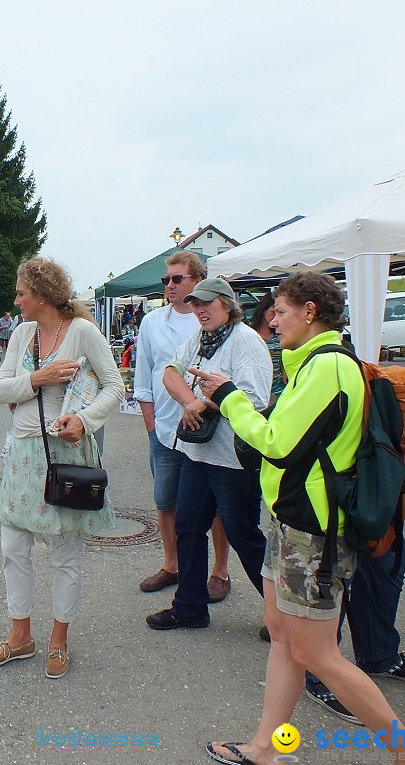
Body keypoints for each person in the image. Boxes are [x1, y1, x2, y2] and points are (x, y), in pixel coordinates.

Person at [194, 271, 405, 765]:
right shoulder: (315, 362)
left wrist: (228, 397)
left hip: (314, 532)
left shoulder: (326, 366)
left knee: (317, 655)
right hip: (295, 523)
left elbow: (278, 444)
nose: (271, 320)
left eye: (279, 311)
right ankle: (264, 748)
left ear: (309, 311)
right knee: (284, 636)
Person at [0, 256, 122, 680]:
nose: (16, 299)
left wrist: (85, 420)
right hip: (23, 452)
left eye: (21, 292)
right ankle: (20, 635)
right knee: (13, 547)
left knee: (63, 553)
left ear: (40, 295)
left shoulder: (81, 332)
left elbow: (115, 386)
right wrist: (40, 378)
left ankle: (59, 639)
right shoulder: (23, 334)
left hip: (65, 455)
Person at [145, 277, 271, 630]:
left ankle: (284, 618)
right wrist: (189, 402)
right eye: (196, 304)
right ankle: (190, 608)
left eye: (207, 303)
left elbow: (257, 398)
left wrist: (202, 403)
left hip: (233, 459)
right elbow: (170, 372)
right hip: (198, 454)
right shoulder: (201, 338)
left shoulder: (246, 341)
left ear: (227, 306)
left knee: (244, 536)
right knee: (188, 529)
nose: (200, 309)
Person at [134, 251, 233, 603]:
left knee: (216, 504)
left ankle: (220, 570)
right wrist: (149, 421)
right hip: (165, 429)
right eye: (167, 280)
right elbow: (144, 374)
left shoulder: (212, 320)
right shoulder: (152, 322)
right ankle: (172, 565)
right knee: (166, 500)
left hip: (212, 429)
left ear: (198, 282)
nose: (170, 286)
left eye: (178, 279)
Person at [250, 292, 285, 405]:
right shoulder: (248, 332)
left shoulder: (281, 333)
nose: (276, 318)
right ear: (263, 309)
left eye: (280, 313)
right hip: (255, 388)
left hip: (277, 388)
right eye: (273, 312)